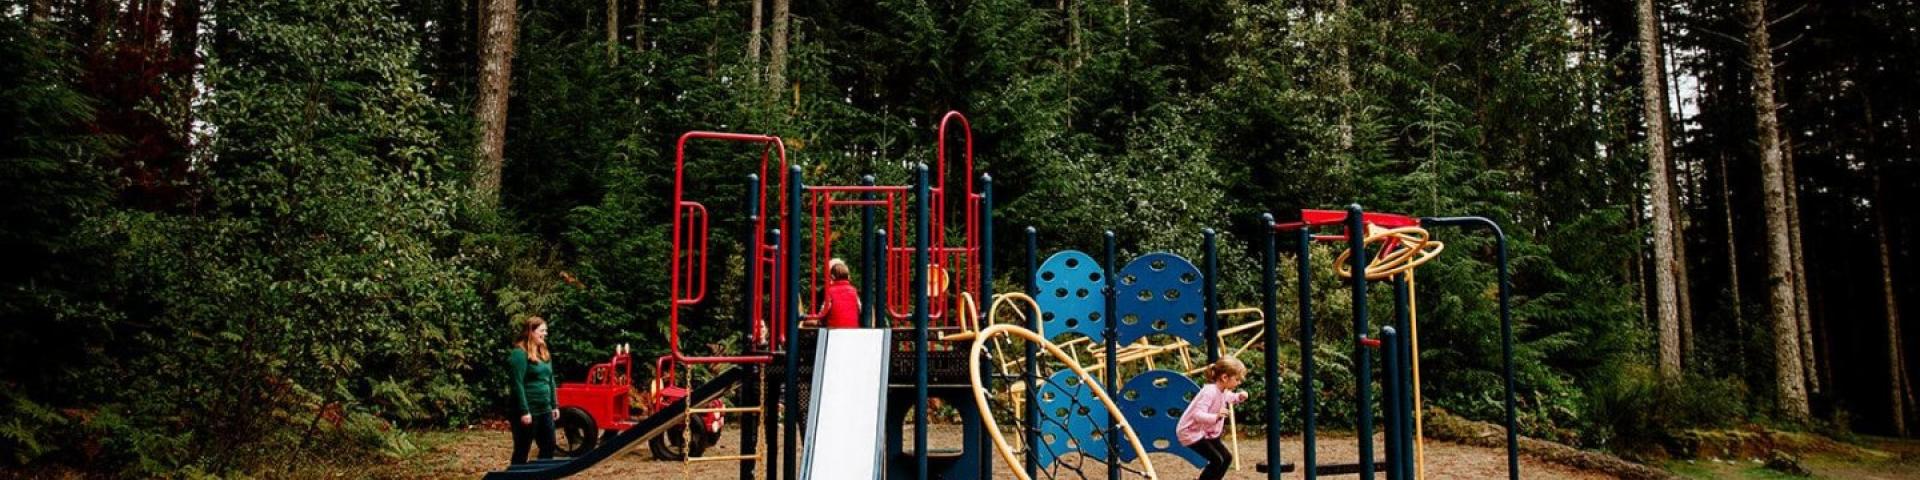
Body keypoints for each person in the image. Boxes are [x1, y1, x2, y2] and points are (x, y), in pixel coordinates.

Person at [1177, 357, 1249, 480]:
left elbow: (1229, 397)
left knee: (1226, 458)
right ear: (1225, 377)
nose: (1239, 383)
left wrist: (1239, 397)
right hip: (1189, 432)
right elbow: (1197, 414)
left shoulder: (1222, 391)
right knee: (1216, 460)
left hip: (1202, 431)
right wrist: (1216, 417)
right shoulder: (1209, 392)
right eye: (1237, 379)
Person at [508, 316, 560, 464]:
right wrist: (524, 411)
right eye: (542, 330)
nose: (545, 334)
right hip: (528, 411)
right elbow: (517, 384)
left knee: (549, 446)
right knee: (522, 450)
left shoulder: (543, 351)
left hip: (545, 409)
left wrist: (554, 405)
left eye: (546, 331)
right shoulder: (519, 353)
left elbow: (550, 379)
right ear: (531, 331)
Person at [820, 258, 862, 328]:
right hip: (853, 328)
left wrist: (819, 318)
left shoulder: (830, 291)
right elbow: (859, 308)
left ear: (832, 277)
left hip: (834, 329)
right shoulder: (853, 290)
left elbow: (824, 311)